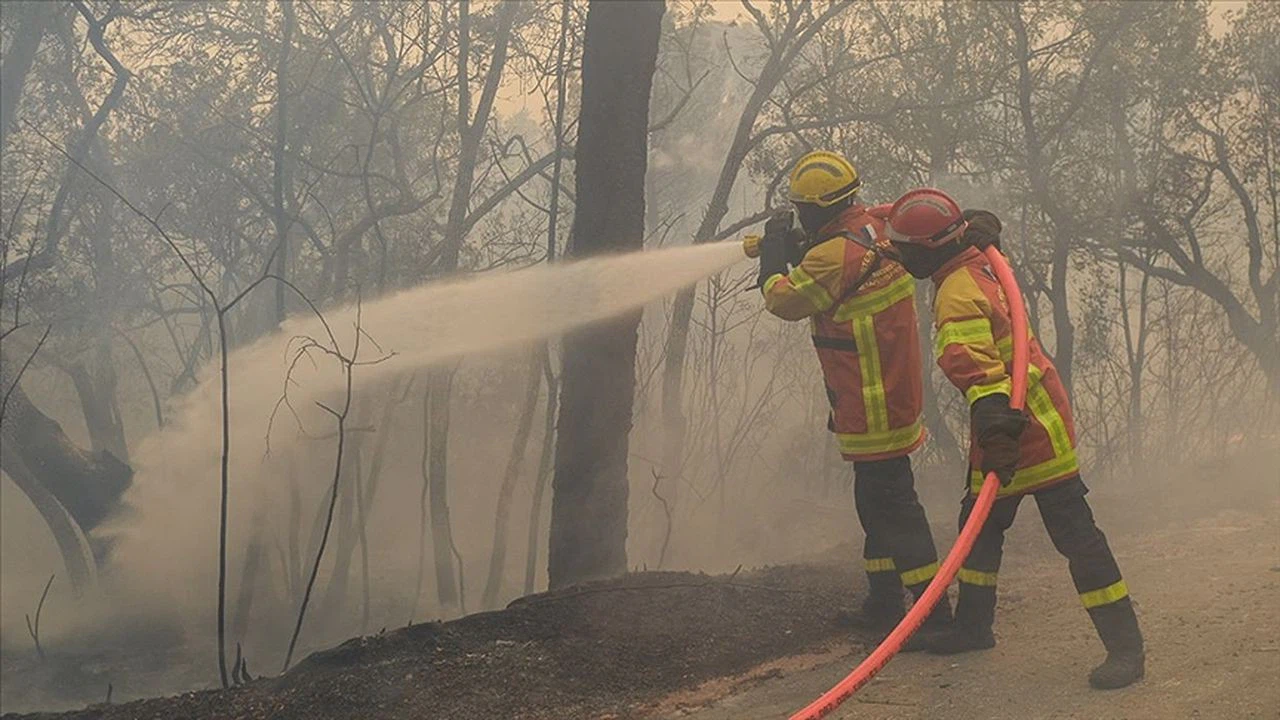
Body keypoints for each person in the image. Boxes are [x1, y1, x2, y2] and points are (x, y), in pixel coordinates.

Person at [883, 187, 1145, 689]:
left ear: (933, 248)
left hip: (1026, 430)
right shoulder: (977, 259)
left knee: (1077, 539)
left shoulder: (958, 292)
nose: (904, 256)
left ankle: (1126, 649)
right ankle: (974, 627)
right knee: (977, 530)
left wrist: (999, 431)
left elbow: (977, 370)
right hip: (1008, 423)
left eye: (908, 249)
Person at [757, 150, 949, 632]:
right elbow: (842, 256)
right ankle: (883, 603)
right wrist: (798, 246)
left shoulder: (831, 256)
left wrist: (771, 264)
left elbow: (784, 300)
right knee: (875, 503)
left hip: (871, 402)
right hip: (892, 393)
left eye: (803, 208)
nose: (800, 214)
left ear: (818, 209)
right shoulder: (876, 229)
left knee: (895, 508)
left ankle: (933, 615)